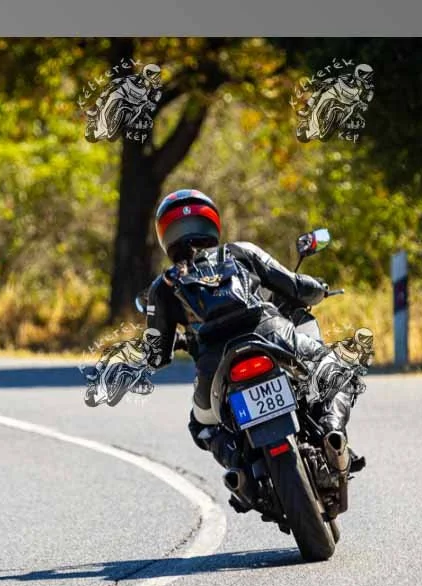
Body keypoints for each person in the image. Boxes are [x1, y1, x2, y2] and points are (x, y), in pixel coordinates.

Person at [143, 189, 357, 496]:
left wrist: (174, 341)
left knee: (201, 425)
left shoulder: (162, 287)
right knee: (335, 369)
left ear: (165, 235)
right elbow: (295, 286)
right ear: (211, 222)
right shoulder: (240, 251)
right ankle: (333, 432)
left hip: (215, 361)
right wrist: (320, 288)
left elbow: (156, 356)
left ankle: (240, 472)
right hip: (270, 333)